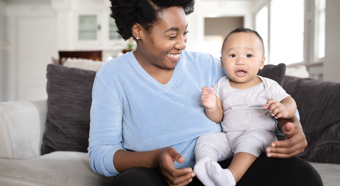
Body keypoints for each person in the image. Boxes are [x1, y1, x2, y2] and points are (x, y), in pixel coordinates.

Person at [88, 0, 323, 186]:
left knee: (302, 176)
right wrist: (154, 158)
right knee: (130, 184)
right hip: (155, 175)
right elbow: (101, 154)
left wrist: (292, 125)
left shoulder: (210, 65)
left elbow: (261, 100)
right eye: (171, 36)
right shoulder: (113, 76)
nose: (182, 44)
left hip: (221, 167)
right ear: (138, 30)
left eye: (184, 33)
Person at [194, 28, 297, 186]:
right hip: (230, 138)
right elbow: (218, 116)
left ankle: (231, 176)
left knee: (250, 139)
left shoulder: (268, 85)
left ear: (262, 62)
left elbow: (290, 102)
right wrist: (211, 106)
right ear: (222, 62)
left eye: (249, 55)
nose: (240, 61)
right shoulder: (221, 85)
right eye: (233, 55)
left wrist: (284, 109)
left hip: (260, 136)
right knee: (206, 139)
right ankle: (205, 166)